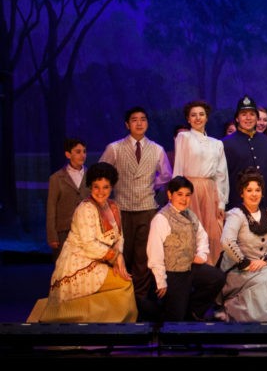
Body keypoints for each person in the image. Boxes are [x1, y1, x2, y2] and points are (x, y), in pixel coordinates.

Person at [40, 162, 138, 323]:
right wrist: (115, 257)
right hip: (79, 264)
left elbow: (120, 237)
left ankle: (111, 328)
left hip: (101, 261)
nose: (101, 192)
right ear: (90, 187)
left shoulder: (114, 206)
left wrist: (118, 258)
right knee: (125, 284)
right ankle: (107, 326)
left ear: (111, 187)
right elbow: (89, 244)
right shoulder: (85, 209)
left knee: (125, 281)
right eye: (96, 187)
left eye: (105, 187)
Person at [99, 106, 174, 312]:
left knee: (143, 256)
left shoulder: (156, 149)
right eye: (134, 120)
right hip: (121, 208)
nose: (139, 123)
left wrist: (153, 184)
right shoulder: (114, 148)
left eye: (143, 119)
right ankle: (119, 299)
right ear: (127, 124)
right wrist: (112, 190)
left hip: (147, 208)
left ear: (147, 123)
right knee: (122, 254)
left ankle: (139, 300)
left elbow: (166, 174)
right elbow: (101, 172)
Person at [217, 168, 267, 322]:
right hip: (240, 269)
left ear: (262, 192)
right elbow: (226, 241)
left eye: (257, 190)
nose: (254, 194)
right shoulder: (236, 214)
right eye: (249, 190)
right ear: (242, 193)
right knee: (262, 282)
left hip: (263, 265)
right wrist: (244, 263)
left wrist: (265, 260)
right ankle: (245, 311)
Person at [146, 177, 227, 322]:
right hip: (173, 273)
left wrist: (201, 255)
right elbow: (154, 253)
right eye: (180, 194)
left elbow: (202, 236)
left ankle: (194, 309)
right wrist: (161, 281)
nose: (184, 199)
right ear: (170, 195)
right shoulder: (161, 219)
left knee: (217, 277)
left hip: (190, 267)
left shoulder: (191, 215)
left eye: (187, 195)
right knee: (176, 318)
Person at [173, 99, 229, 266]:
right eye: (193, 115)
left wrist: (222, 203)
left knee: (212, 233)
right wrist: (177, 196)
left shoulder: (217, 143)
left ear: (207, 117)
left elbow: (221, 175)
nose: (198, 118)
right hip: (190, 190)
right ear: (188, 119)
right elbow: (178, 168)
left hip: (210, 190)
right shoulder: (184, 137)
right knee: (191, 230)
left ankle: (210, 270)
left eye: (201, 114)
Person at [223, 95, 267, 214]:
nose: (248, 118)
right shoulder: (226, 143)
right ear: (237, 118)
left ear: (257, 118)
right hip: (237, 206)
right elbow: (223, 178)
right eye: (243, 114)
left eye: (252, 114)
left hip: (266, 204)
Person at [46, 137, 90, 260]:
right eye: (78, 152)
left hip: (86, 230)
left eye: (84, 151)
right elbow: (51, 207)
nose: (82, 155)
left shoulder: (91, 176)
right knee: (63, 269)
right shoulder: (57, 178)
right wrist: (52, 236)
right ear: (68, 154)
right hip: (64, 231)